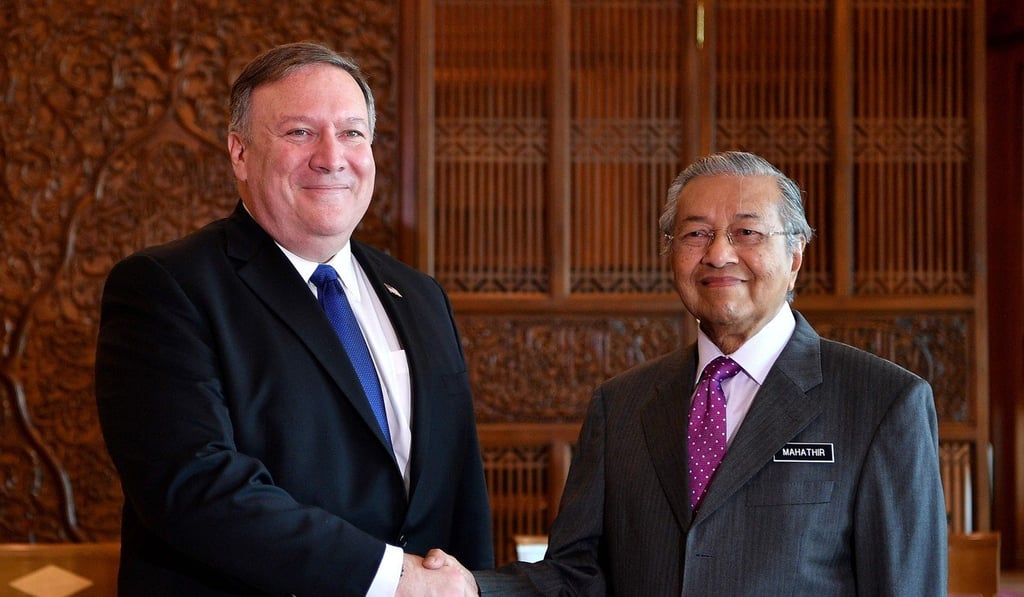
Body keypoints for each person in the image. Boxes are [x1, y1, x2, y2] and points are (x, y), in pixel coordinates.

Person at [446, 150, 948, 595]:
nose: (719, 253)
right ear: (671, 254)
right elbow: (577, 576)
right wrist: (470, 588)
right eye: (696, 234)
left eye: (746, 232)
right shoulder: (621, 405)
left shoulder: (883, 402)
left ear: (795, 256)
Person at [95, 41, 490, 596]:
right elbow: (194, 488)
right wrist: (391, 579)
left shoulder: (421, 297)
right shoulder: (167, 288)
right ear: (239, 153)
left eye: (352, 132)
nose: (332, 157)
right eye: (300, 132)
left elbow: (459, 490)